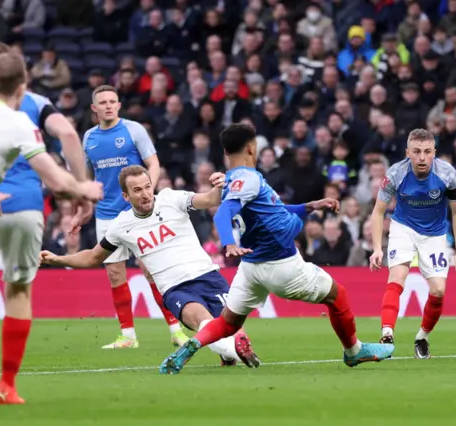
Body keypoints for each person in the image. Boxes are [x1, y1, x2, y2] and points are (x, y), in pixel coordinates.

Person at [158, 123, 394, 375]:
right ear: (251, 148)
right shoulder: (248, 179)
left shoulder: (234, 181)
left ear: (226, 153)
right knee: (338, 296)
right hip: (281, 264)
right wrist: (229, 243)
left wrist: (309, 206)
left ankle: (194, 343)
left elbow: (272, 210)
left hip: (250, 269)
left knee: (227, 322)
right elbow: (222, 215)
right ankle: (354, 352)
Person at [0, 52, 103, 404]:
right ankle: (7, 386)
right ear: (21, 88)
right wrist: (83, 188)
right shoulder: (18, 120)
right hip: (24, 208)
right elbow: (54, 176)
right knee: (18, 290)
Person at [40, 165, 261, 367]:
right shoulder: (121, 226)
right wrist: (58, 259)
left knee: (227, 328)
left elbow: (210, 199)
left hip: (208, 276)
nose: (145, 194)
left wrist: (220, 185)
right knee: (205, 323)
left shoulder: (171, 199)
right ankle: (232, 348)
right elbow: (92, 257)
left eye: (147, 187)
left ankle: (229, 352)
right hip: (176, 289)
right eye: (137, 190)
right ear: (126, 196)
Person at [82, 85, 188, 349]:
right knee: (115, 273)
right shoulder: (88, 138)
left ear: (119, 105)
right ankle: (128, 335)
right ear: (94, 109)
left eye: (112, 101)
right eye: (102, 102)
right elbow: (88, 177)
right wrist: (82, 206)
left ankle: (176, 330)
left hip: (136, 214)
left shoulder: (133, 130)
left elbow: (153, 163)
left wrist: (148, 193)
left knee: (151, 270)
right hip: (106, 214)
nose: (108, 106)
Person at [369, 128, 456, 359]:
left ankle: (422, 337)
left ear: (434, 152)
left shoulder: (447, 174)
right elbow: (378, 212)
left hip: (435, 234)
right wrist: (376, 248)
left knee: (439, 291)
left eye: (427, 152)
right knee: (397, 278)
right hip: (403, 228)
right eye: (416, 152)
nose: (422, 157)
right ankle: (387, 334)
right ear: (407, 153)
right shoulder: (396, 173)